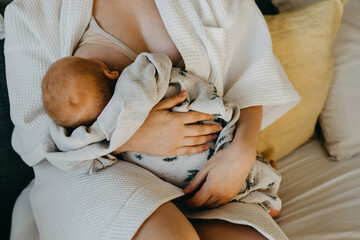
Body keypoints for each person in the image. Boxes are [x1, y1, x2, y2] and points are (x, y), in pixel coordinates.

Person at [5, 0, 301, 239]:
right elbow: (34, 133)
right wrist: (130, 137)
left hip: (200, 169)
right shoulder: (31, 12)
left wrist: (242, 152)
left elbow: (252, 77)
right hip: (94, 173)